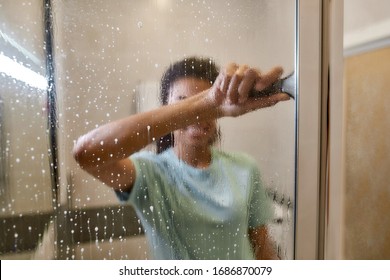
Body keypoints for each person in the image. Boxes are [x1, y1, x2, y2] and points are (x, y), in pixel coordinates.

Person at [73, 56, 290, 259]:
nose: (200, 116)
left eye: (211, 106)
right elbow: (88, 152)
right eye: (185, 104)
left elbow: (263, 252)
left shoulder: (245, 167)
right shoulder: (149, 171)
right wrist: (206, 102)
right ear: (167, 110)